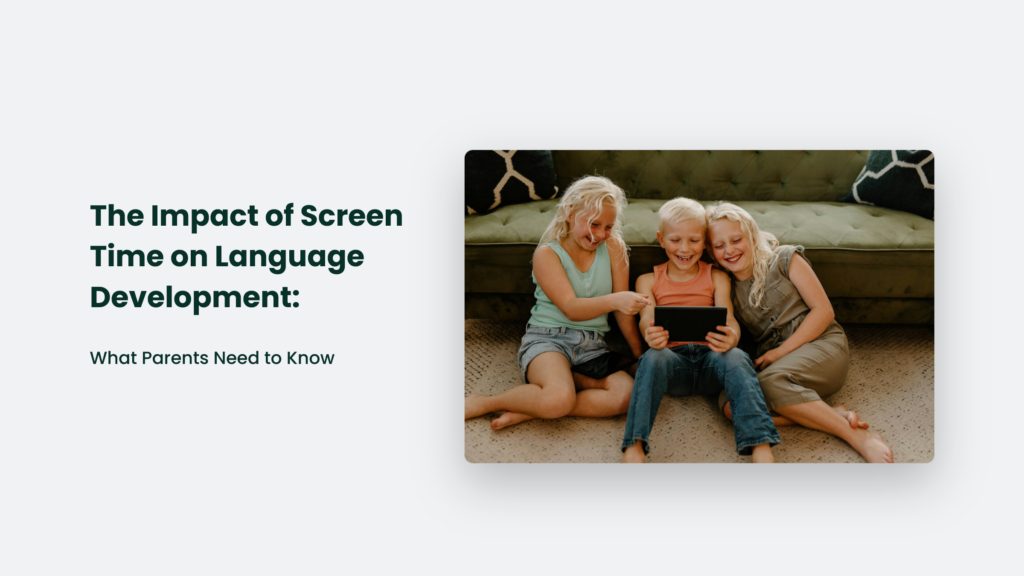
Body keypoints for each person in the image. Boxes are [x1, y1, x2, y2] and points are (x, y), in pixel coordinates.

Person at [705, 202, 894, 463]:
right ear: (711, 252)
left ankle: (856, 437)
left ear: (750, 235)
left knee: (771, 383)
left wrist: (779, 352)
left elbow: (824, 311)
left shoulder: (784, 258)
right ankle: (829, 414)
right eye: (719, 245)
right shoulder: (724, 286)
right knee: (730, 403)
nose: (730, 250)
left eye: (736, 240)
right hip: (779, 361)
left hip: (822, 343)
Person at [465, 176, 646, 430]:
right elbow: (571, 308)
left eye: (608, 226)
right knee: (558, 398)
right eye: (594, 224)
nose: (600, 235)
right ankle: (486, 401)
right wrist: (617, 300)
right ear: (570, 213)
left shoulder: (614, 247)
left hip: (592, 347)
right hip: (548, 340)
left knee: (625, 395)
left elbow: (623, 313)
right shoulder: (547, 254)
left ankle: (534, 408)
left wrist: (641, 355)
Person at [621, 198, 779, 463]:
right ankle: (634, 446)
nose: (684, 249)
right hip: (673, 366)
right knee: (651, 358)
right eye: (675, 240)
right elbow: (646, 318)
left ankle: (761, 444)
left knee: (738, 356)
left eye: (694, 240)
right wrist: (649, 334)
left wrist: (733, 337)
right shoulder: (646, 280)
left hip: (711, 361)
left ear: (705, 241)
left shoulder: (717, 276)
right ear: (661, 240)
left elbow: (729, 318)